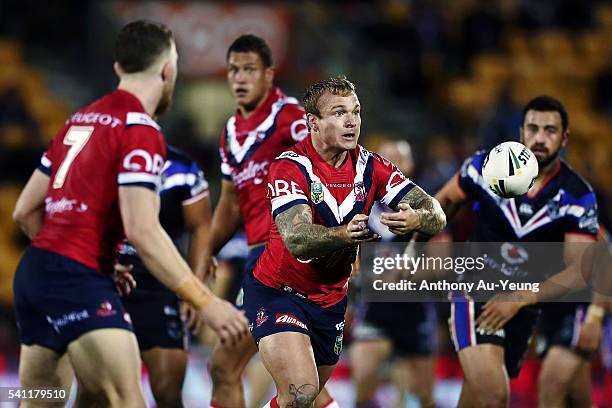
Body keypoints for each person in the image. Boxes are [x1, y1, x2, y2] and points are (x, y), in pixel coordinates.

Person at [11, 20, 247, 407]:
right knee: (126, 400)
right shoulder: (140, 129)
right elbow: (141, 229)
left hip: (35, 278)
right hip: (78, 284)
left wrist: (83, 259)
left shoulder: (78, 120)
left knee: (42, 399)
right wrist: (207, 302)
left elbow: (25, 211)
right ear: (168, 71)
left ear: (119, 68)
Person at [244, 75, 446, 407]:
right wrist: (344, 234)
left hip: (329, 302)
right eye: (339, 112)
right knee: (302, 391)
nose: (351, 120)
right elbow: (297, 239)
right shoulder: (290, 167)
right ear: (313, 122)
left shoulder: (372, 167)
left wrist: (416, 219)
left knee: (301, 399)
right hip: (279, 292)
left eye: (356, 111)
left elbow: (435, 212)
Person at [431, 95, 601, 407]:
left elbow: (580, 271)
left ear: (564, 138)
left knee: (478, 395)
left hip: (525, 305)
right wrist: (437, 234)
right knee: (495, 396)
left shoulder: (578, 195)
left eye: (550, 130)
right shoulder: (487, 166)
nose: (539, 138)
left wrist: (520, 297)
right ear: (521, 132)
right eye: (533, 128)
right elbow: (442, 202)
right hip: (475, 291)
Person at [201, 34, 336, 408]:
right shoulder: (231, 132)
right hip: (259, 256)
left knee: (232, 367)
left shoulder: (291, 118)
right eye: (233, 70)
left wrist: (335, 241)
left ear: (269, 74)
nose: (239, 78)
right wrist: (204, 254)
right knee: (295, 384)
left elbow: (330, 168)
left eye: (249, 69)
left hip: (286, 257)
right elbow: (230, 203)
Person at [116, 145, 210, 408]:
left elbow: (201, 226)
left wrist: (196, 291)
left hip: (162, 285)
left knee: (169, 394)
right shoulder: (102, 157)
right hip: (108, 284)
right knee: (104, 393)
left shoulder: (182, 167)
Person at [351, 139, 437, 408]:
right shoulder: (360, 209)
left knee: (423, 395)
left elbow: (443, 263)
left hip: (415, 310)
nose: (393, 165)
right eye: (386, 159)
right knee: (363, 382)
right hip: (375, 309)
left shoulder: (428, 209)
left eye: (400, 159)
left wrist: (402, 275)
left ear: (410, 165)